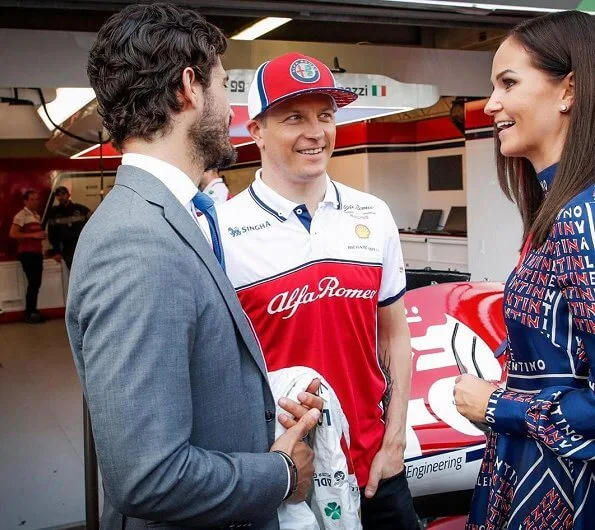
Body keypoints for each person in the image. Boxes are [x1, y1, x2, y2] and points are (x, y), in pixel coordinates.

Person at [67, 5, 322, 529]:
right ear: (189, 88)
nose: (228, 109)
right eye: (223, 86)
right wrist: (279, 473)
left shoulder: (171, 218)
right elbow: (148, 476)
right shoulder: (137, 244)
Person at [212, 52, 419, 530]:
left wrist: (395, 441)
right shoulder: (219, 231)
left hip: (374, 466)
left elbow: (393, 333)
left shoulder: (373, 214)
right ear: (256, 130)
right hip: (285, 474)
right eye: (294, 117)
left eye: (325, 115)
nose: (316, 131)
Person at [454, 11, 595, 530]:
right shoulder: (559, 211)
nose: (491, 104)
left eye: (508, 83)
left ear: (568, 91)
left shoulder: (584, 216)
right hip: (536, 474)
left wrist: (499, 406)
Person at [9, 190, 46, 324]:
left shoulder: (36, 215)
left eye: (37, 199)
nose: (35, 202)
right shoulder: (21, 215)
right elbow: (13, 234)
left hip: (37, 252)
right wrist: (33, 236)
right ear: (26, 201)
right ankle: (29, 313)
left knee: (36, 283)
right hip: (27, 253)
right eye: (32, 199)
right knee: (33, 282)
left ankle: (33, 311)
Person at [47, 186, 91, 269]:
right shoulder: (54, 212)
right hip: (66, 248)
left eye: (63, 194)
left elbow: (94, 223)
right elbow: (52, 234)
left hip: (81, 246)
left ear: (68, 195)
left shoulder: (80, 209)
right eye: (58, 195)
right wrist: (56, 252)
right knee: (73, 271)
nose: (61, 197)